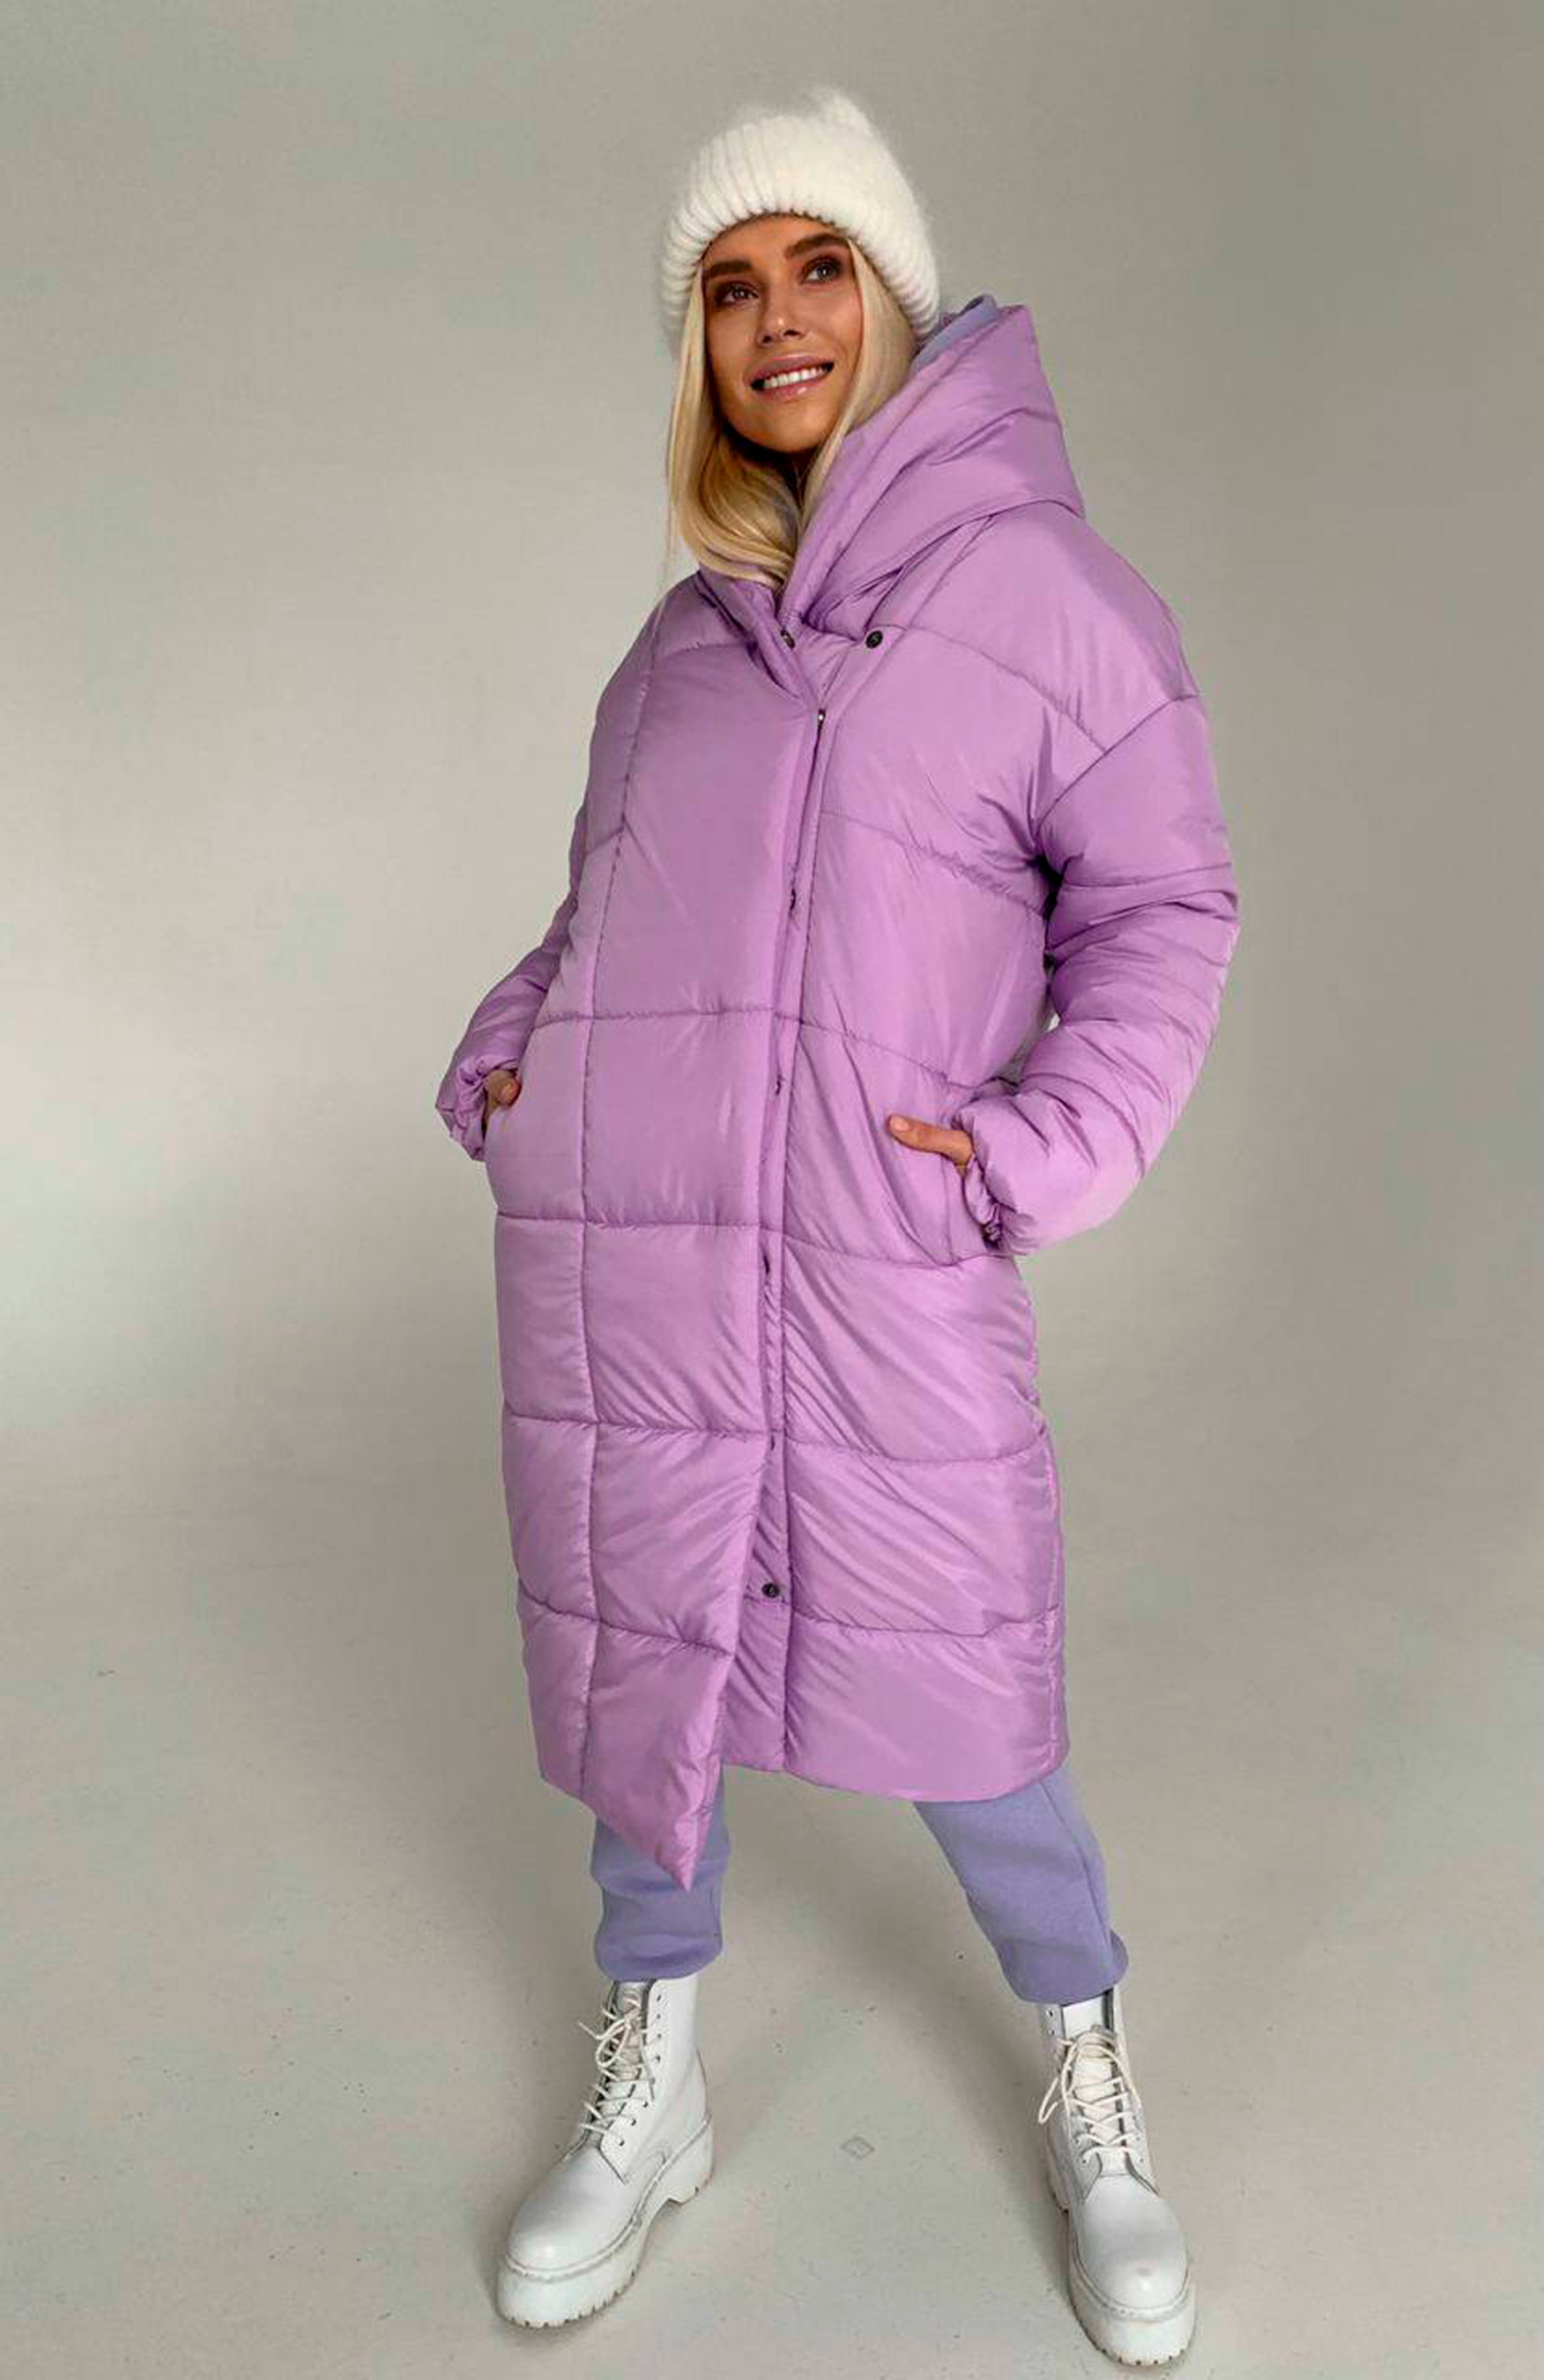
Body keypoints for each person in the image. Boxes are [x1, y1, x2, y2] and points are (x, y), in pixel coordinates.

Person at [434, 83, 1240, 2368]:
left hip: (882, 1263)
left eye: (816, 268)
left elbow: (1165, 910)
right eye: (727, 286)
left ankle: (1086, 2067)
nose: (776, 318)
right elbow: (601, 920)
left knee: (970, 1699)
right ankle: (653, 2075)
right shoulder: (675, 653)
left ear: (891, 294)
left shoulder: (1050, 601)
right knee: (648, 1679)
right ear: (696, 344)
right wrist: (510, 1059)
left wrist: (1032, 1152)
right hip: (639, 1260)